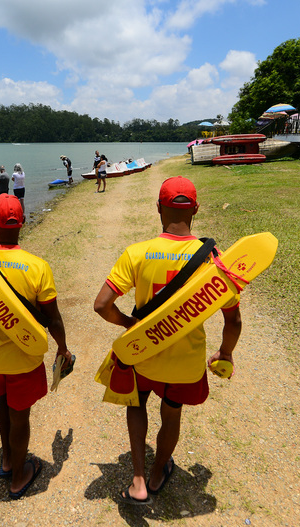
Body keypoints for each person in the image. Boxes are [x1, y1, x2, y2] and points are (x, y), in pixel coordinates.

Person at [93, 176, 243, 505]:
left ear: (158, 208)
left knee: (136, 404)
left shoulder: (138, 253)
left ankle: (138, 481)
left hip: (144, 352)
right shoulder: (214, 259)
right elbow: (232, 319)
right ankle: (159, 471)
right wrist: (226, 353)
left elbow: (102, 305)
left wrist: (130, 323)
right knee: (171, 414)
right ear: (196, 210)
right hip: (185, 363)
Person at [0, 194, 72, 500]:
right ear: (22, 223)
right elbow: (53, 318)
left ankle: (7, 458)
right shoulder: (37, 266)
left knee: (1, 401)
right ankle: (18, 477)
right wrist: (62, 348)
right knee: (21, 416)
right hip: (25, 356)